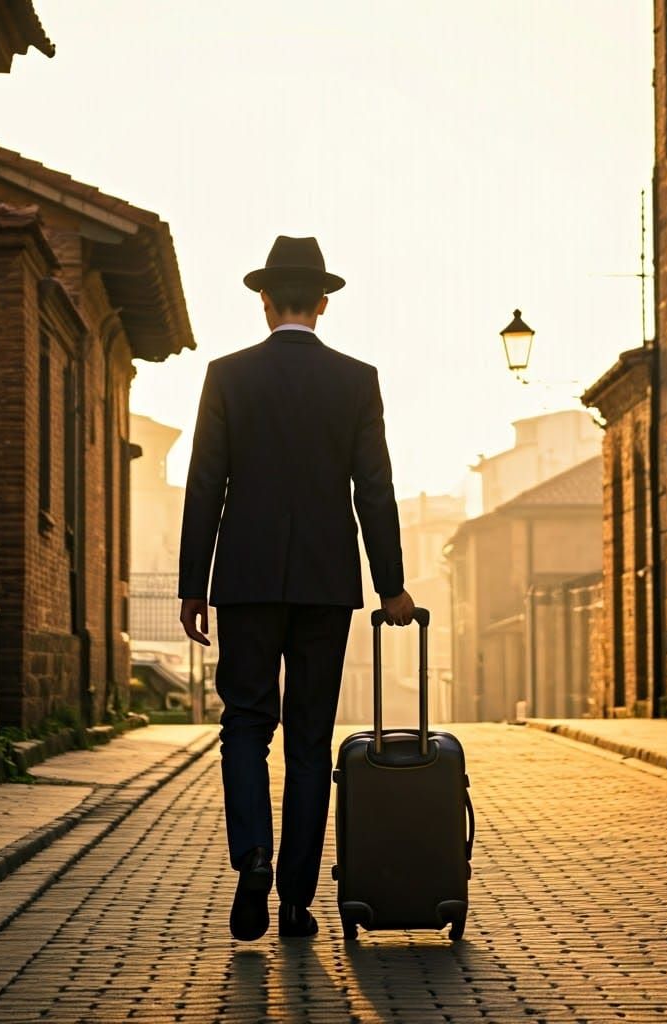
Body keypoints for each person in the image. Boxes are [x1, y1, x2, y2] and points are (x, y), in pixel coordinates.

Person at [178, 235, 414, 942]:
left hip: (245, 582)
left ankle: (252, 855)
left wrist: (194, 585)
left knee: (246, 725)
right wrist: (392, 586)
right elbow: (375, 487)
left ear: (263, 303)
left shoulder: (226, 376)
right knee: (310, 740)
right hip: (324, 583)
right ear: (323, 303)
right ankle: (295, 901)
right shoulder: (356, 380)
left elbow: (204, 485)